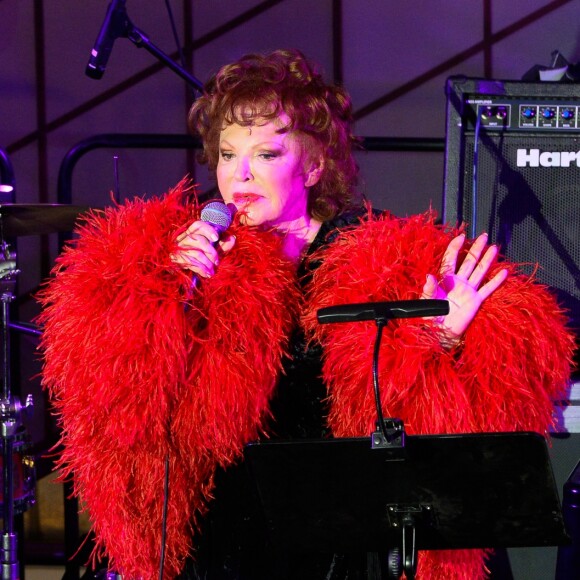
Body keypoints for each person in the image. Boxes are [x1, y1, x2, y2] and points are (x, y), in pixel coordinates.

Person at [37, 49, 574, 580]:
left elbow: (435, 420)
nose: (240, 174)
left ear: (314, 165)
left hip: (347, 532)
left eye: (266, 155)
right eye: (227, 155)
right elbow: (123, 401)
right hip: (230, 532)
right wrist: (158, 295)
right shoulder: (189, 255)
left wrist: (444, 336)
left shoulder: (376, 256)